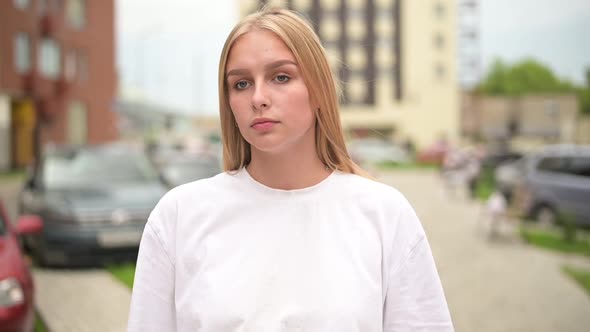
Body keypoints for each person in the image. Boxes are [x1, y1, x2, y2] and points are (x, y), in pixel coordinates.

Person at [128, 7, 453, 332]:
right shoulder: (179, 217)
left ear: (319, 90)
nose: (258, 97)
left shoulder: (384, 215)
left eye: (281, 77)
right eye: (240, 84)